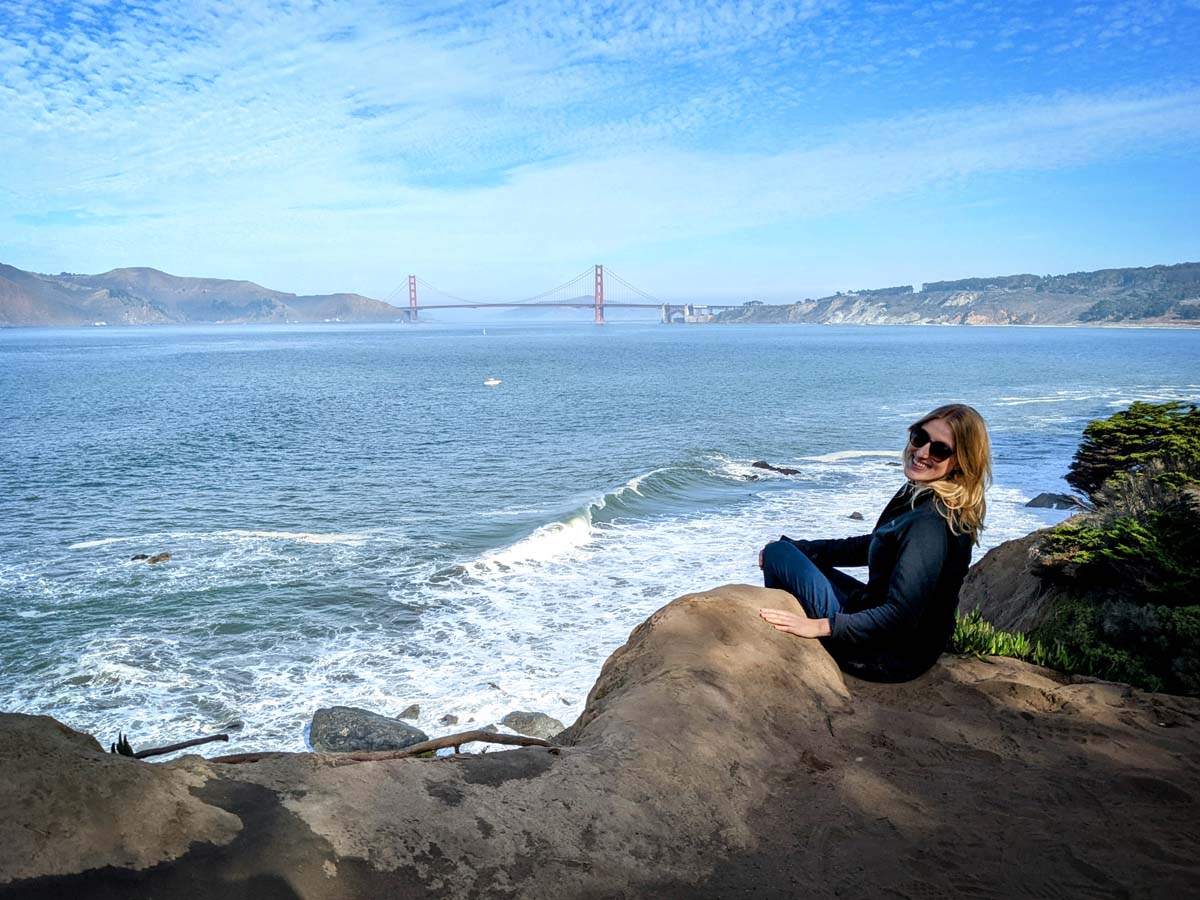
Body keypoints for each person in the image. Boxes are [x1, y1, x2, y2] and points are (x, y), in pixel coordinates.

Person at [758, 404, 991, 682]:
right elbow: (870, 546)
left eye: (940, 450)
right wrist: (801, 547)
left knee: (776, 555)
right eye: (919, 437)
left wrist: (818, 626)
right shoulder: (920, 493)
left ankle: (793, 651)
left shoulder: (928, 521)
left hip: (884, 654)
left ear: (961, 462)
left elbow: (900, 615)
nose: (922, 452)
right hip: (898, 636)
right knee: (787, 552)